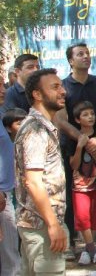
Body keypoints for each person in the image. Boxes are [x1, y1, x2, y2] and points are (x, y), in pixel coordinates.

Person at [53, 43, 96, 259]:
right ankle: (72, 243)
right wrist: (81, 139)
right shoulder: (62, 85)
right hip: (72, 146)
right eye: (80, 54)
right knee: (72, 194)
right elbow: (60, 118)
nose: (86, 57)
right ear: (71, 60)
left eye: (87, 53)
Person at [14, 69, 68, 276]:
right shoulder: (36, 130)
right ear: (37, 94)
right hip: (41, 225)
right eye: (55, 87)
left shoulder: (44, 126)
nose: (62, 91)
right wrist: (53, 225)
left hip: (38, 224)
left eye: (61, 86)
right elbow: (34, 182)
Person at [69, 101, 96, 265]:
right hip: (80, 185)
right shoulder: (74, 138)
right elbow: (73, 164)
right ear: (78, 119)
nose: (90, 117)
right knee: (82, 217)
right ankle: (93, 250)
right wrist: (80, 147)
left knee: (95, 217)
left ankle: (89, 251)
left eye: (92, 114)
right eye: (85, 115)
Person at [0, 114, 21, 275]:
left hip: (7, 191)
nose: (3, 90)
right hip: (1, 194)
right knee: (9, 252)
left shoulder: (1, 114)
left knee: (9, 249)